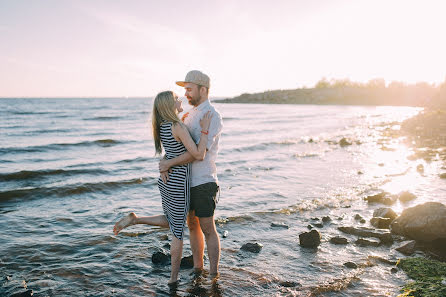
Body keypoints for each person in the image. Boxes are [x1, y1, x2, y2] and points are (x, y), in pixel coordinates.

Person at [113, 90, 212, 286]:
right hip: (178, 183)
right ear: (169, 105)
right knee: (177, 231)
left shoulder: (163, 127)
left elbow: (171, 152)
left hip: (167, 181)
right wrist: (205, 130)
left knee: (171, 222)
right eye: (176, 98)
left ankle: (136, 219)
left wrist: (166, 163)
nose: (180, 99)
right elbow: (198, 154)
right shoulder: (177, 126)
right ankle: (173, 279)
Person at [159, 70, 223, 278]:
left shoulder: (211, 115)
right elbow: (178, 145)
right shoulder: (189, 114)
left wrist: (168, 162)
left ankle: (214, 275)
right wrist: (166, 163)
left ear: (203, 90)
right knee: (192, 225)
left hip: (204, 181)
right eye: (184, 90)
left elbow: (199, 154)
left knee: (207, 228)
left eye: (189, 89)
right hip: (186, 182)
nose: (185, 94)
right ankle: (198, 268)